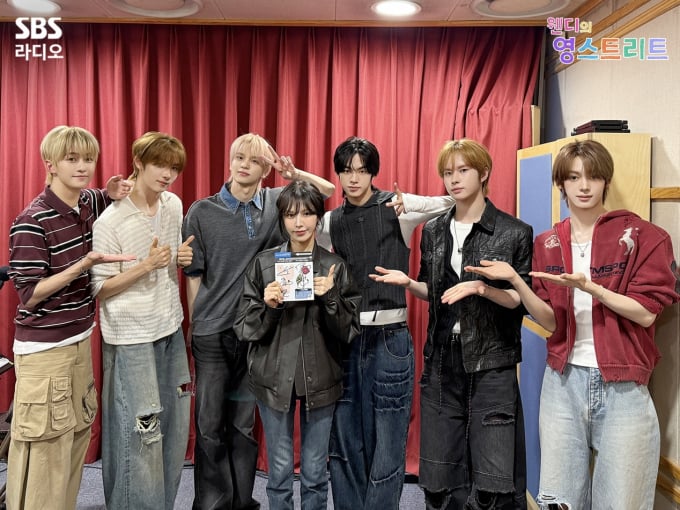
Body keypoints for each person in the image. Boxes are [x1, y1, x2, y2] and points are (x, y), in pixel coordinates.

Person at [466, 139, 680, 509]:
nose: (584, 186)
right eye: (574, 177)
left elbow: (646, 313)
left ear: (606, 182)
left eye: (593, 177)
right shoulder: (548, 242)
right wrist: (517, 281)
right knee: (559, 500)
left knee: (622, 502)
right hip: (562, 384)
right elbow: (551, 321)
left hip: (624, 387)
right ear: (561, 183)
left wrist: (592, 288)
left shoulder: (642, 236)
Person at [371, 138, 532, 509]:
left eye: (463, 170)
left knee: (492, 483)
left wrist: (482, 289)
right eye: (447, 172)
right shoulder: (433, 231)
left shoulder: (514, 231)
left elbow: (518, 299)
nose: (454, 179)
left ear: (484, 173)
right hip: (443, 362)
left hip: (493, 362)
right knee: (439, 480)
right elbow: (436, 292)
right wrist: (408, 283)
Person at [182, 133, 335, 510]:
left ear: (266, 169)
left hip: (255, 333)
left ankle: (241, 501)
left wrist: (293, 173)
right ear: (230, 160)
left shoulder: (276, 203)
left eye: (254, 160)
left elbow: (327, 191)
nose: (244, 165)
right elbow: (193, 275)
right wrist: (196, 324)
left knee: (243, 425)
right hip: (213, 334)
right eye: (239, 157)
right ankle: (212, 504)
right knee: (209, 426)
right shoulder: (201, 211)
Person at [318, 136, 454, 510]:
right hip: (345, 337)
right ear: (339, 174)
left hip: (390, 337)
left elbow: (453, 202)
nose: (354, 179)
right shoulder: (331, 221)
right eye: (347, 171)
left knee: (389, 439)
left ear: (373, 173)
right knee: (345, 438)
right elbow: (293, 228)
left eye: (362, 171)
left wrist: (412, 202)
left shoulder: (398, 209)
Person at [7, 125, 134, 510]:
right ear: (50, 165)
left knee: (74, 442)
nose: (82, 166)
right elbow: (29, 294)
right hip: (45, 352)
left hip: (79, 343)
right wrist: (84, 264)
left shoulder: (87, 202)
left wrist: (111, 191)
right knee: (45, 456)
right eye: (71, 159)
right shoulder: (31, 221)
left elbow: (104, 193)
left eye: (88, 159)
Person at [235, 180, 361, 510]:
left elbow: (349, 331)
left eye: (307, 213)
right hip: (273, 379)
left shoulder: (334, 266)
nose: (299, 222)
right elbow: (245, 327)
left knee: (316, 472)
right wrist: (269, 306)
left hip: (321, 380)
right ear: (282, 219)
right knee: (278, 473)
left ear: (319, 217)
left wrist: (331, 297)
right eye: (291, 215)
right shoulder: (265, 264)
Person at [90, 132, 194, 509]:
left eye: (173, 168)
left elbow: (172, 257)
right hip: (131, 338)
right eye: (159, 165)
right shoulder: (111, 221)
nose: (167, 174)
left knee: (175, 428)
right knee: (140, 432)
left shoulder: (173, 204)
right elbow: (100, 289)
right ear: (138, 162)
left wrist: (180, 259)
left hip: (170, 327)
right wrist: (145, 266)